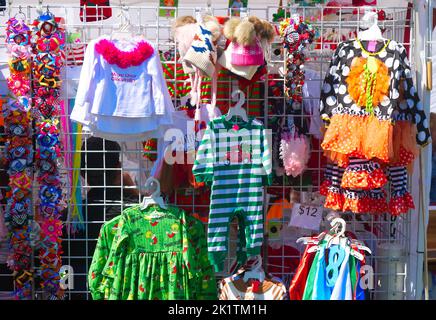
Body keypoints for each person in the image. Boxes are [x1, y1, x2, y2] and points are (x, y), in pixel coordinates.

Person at [63, 137, 140, 299]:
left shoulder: (71, 217)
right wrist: (133, 190)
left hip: (81, 291)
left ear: (83, 173)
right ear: (118, 167)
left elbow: (64, 269)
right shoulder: (136, 213)